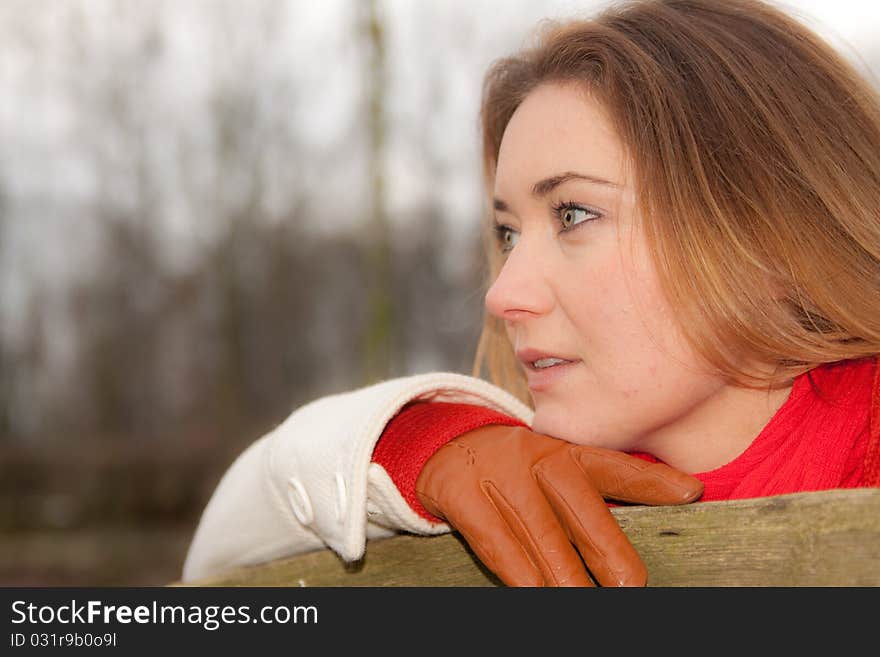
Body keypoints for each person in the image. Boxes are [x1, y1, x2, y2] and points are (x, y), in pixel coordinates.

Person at [181, 0, 880, 587]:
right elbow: (210, 570)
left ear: (770, 235)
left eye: (574, 213)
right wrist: (412, 444)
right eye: (508, 233)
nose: (503, 292)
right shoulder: (548, 478)